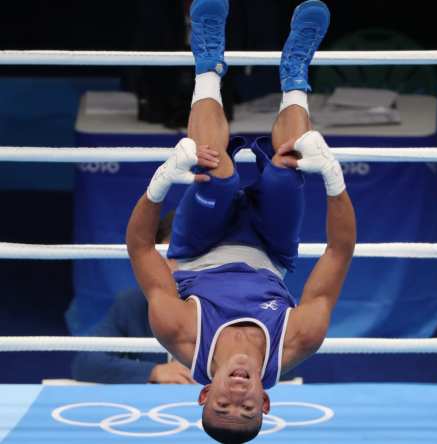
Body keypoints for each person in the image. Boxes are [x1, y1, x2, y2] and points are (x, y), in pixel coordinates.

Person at [126, 0, 355, 442]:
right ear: (265, 403)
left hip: (198, 247)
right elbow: (339, 251)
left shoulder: (180, 332)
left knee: (217, 174)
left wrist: (162, 182)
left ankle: (207, 61)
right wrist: (333, 178)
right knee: (289, 169)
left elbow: (139, 248)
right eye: (247, 407)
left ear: (203, 394)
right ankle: (295, 75)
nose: (237, 394)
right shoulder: (299, 339)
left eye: (223, 403)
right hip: (270, 248)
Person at [71, 213, 196, 384]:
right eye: (172, 256)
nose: (182, 267)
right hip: (161, 406)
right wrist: (154, 372)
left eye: (192, 256)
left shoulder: (226, 305)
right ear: (155, 259)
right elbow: (87, 362)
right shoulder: (134, 304)